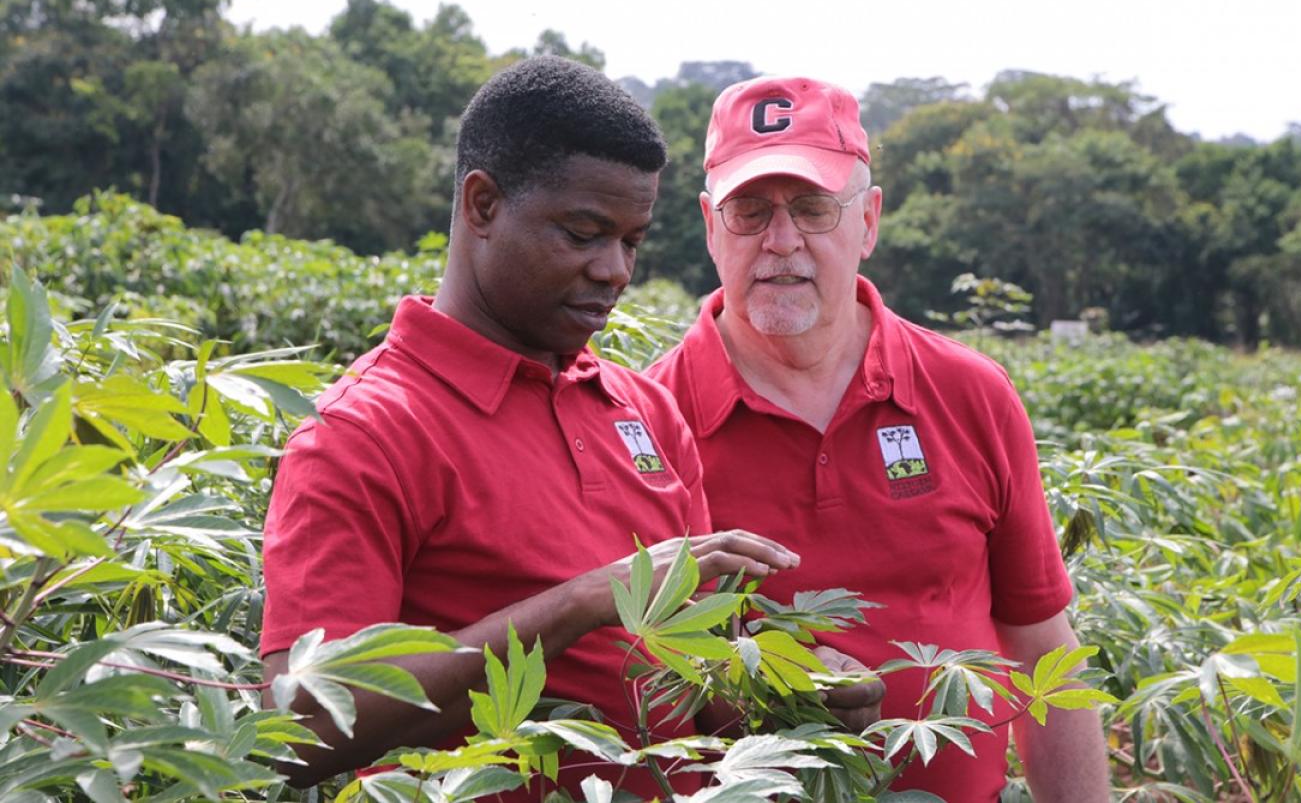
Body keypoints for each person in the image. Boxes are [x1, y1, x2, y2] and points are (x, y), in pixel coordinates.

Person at [258, 56, 803, 797]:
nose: (614, 268)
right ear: (482, 205)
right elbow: (305, 727)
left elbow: (700, 689)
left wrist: (787, 692)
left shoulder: (645, 411)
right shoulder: (363, 432)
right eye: (583, 233)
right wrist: (577, 605)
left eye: (632, 241)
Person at [647, 76, 1110, 801]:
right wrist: (767, 692)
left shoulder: (971, 392)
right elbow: (640, 686)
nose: (781, 240)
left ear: (868, 220)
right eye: (749, 211)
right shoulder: (650, 422)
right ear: (710, 227)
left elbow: (1041, 645)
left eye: (812, 208)